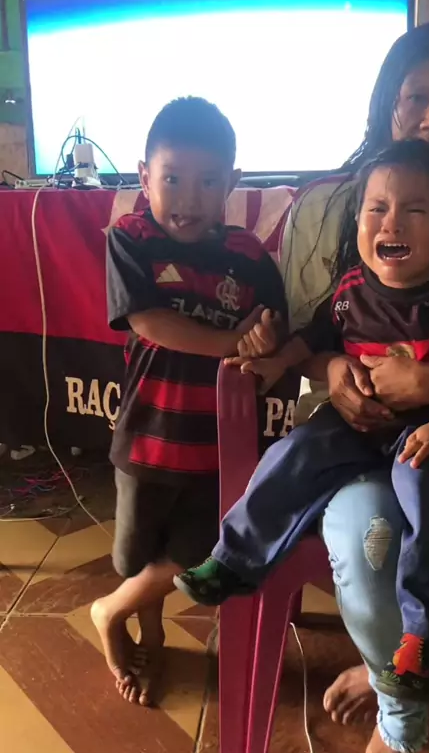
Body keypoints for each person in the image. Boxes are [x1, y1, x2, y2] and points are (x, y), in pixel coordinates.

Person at [174, 139, 429, 705]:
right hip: (356, 421)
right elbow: (312, 342)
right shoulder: (348, 292)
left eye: (414, 210)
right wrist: (276, 363)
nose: (392, 222)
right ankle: (235, 559)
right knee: (293, 453)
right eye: (376, 208)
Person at [279, 23, 429, 753]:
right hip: (356, 441)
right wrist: (333, 370)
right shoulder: (329, 209)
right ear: (385, 104)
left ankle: (397, 685)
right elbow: (308, 337)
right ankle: (399, 704)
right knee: (371, 549)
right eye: (415, 97)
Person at [91, 96, 286, 706]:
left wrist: (264, 339)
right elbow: (149, 322)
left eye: (207, 181)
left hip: (218, 446)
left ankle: (107, 611)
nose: (189, 197)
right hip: (146, 440)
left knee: (200, 548)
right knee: (136, 555)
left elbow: (272, 329)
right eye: (172, 179)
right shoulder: (132, 238)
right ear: (144, 176)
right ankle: (148, 634)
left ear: (231, 181)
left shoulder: (248, 256)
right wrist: (231, 340)